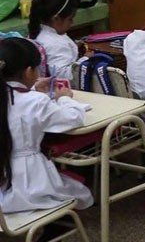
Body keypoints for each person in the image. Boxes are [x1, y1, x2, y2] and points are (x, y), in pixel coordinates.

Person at [0, 37, 93, 213]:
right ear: (29, 72)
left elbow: (15, 103)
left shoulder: (18, 97)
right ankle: (50, 228)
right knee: (80, 193)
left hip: (4, 181)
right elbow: (73, 118)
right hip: (29, 181)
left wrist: (32, 89)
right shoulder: (34, 101)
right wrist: (64, 98)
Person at [29, 0, 83, 80]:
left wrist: (73, 47)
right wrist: (85, 59)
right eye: (70, 19)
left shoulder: (39, 33)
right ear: (56, 19)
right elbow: (63, 76)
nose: (72, 23)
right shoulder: (57, 44)